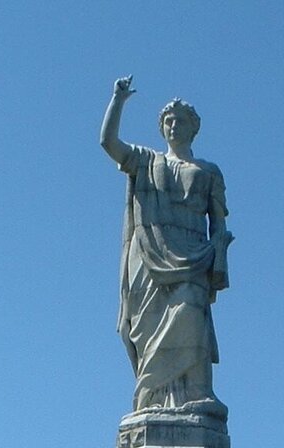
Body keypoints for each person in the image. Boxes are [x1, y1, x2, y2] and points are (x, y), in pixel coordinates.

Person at [100, 74, 233, 411]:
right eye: (168, 121)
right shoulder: (147, 161)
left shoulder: (209, 171)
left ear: (194, 127)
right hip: (148, 254)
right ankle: (152, 401)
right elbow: (108, 142)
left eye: (181, 121)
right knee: (147, 330)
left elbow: (218, 221)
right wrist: (118, 100)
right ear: (162, 128)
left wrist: (218, 252)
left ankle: (198, 394)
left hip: (194, 254)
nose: (174, 126)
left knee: (191, 316)